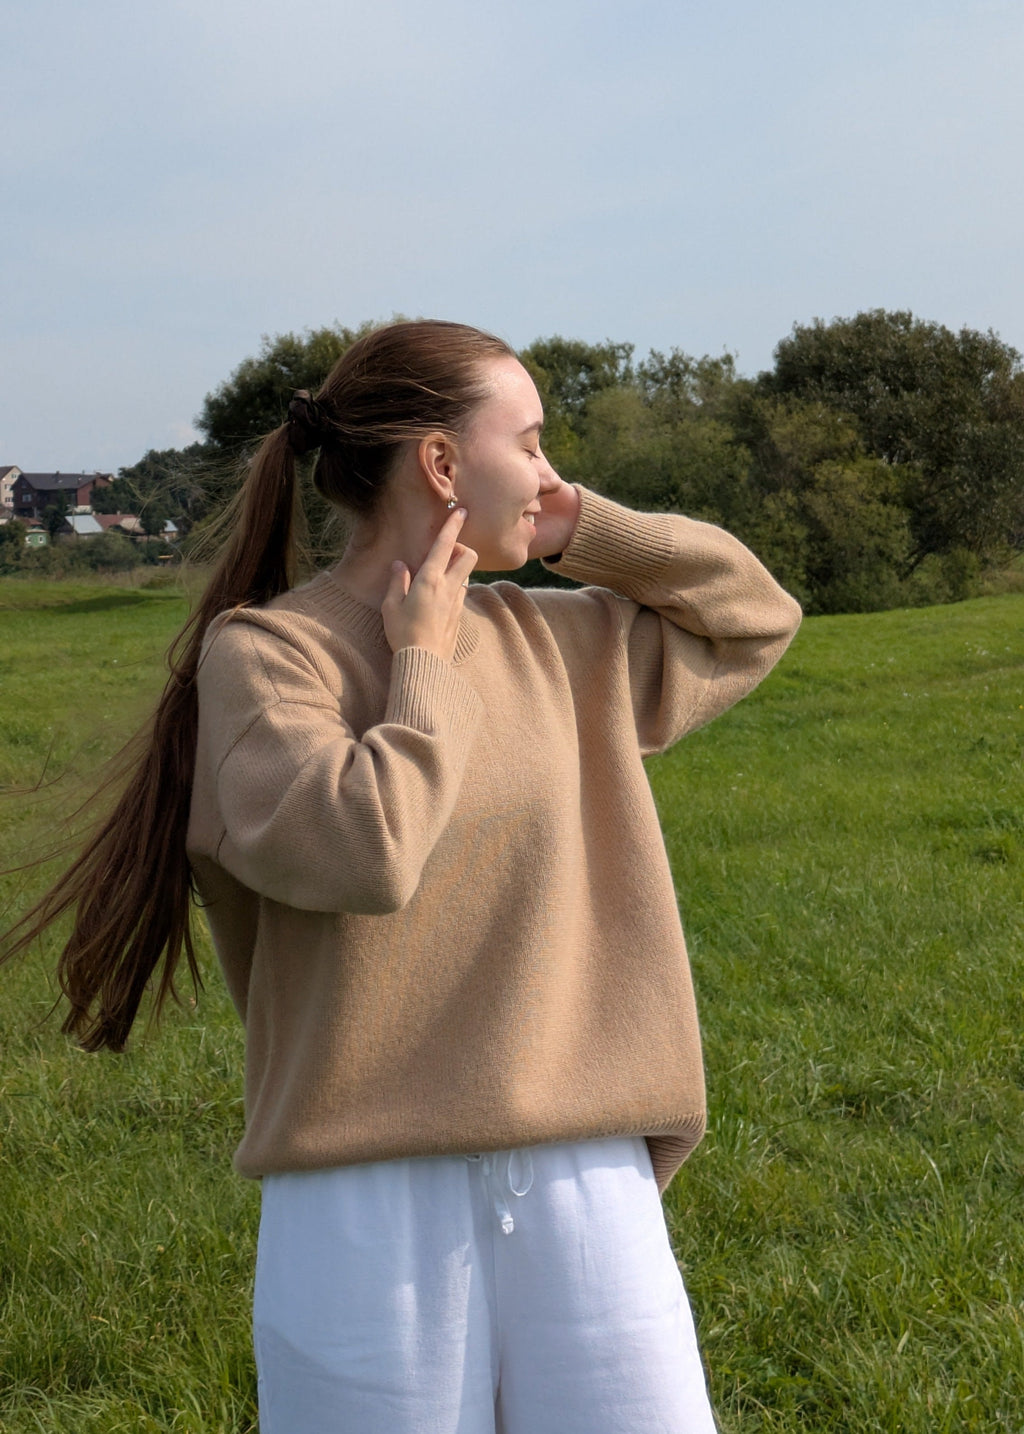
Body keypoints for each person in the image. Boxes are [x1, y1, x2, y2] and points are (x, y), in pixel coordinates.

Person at [5, 319, 801, 1432]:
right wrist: (422, 656)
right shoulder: (271, 658)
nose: (549, 470)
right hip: (366, 1206)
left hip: (585, 1179)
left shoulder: (558, 641)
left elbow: (755, 619)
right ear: (440, 463)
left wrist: (582, 531)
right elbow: (364, 852)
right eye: (527, 443)